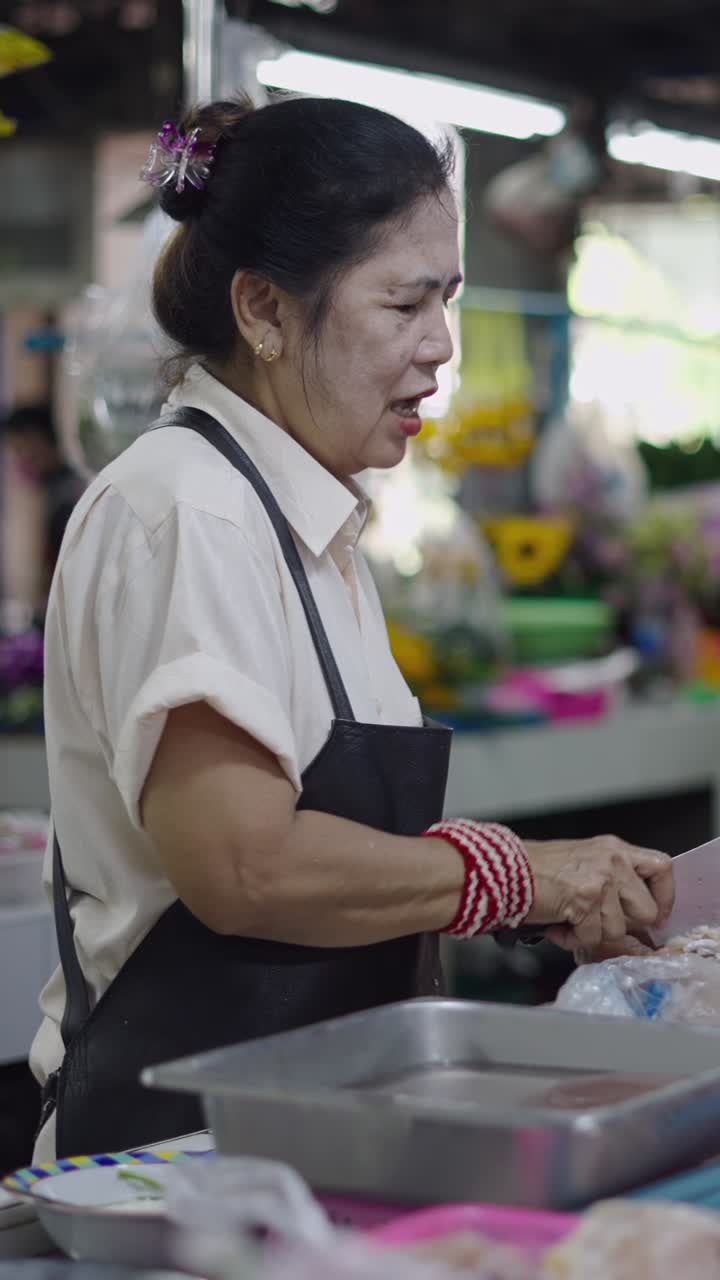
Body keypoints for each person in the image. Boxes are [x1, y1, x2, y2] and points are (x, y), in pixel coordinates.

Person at [30, 95, 674, 1163]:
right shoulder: (193, 509)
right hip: (179, 1163)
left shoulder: (308, 520)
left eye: (447, 301)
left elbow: (337, 855)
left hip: (296, 1133)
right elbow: (244, 864)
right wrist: (519, 871)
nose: (442, 349)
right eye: (404, 304)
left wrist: (525, 892)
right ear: (265, 310)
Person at [1, 403, 85, 607]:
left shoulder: (70, 493)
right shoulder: (51, 489)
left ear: (37, 439)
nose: (20, 459)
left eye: (20, 448)